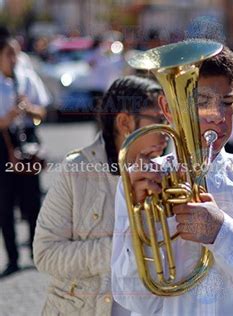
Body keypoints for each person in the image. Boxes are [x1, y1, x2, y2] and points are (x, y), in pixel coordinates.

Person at [111, 45, 233, 315]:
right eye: (200, 102)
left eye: (227, 102)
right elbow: (133, 300)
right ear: (167, 108)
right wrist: (139, 226)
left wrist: (221, 231)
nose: (217, 117)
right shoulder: (142, 182)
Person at [33, 76, 168, 315]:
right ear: (125, 122)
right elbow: (46, 254)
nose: (167, 131)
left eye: (169, 120)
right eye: (158, 120)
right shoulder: (76, 171)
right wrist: (124, 247)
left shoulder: (169, 172)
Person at [0, 29, 50, 278]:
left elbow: (43, 111)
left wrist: (28, 109)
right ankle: (12, 257)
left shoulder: (26, 77)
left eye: (16, 54)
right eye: (9, 54)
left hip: (26, 142)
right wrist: (7, 117)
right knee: (5, 203)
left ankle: (35, 251)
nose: (14, 59)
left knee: (32, 201)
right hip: (2, 144)